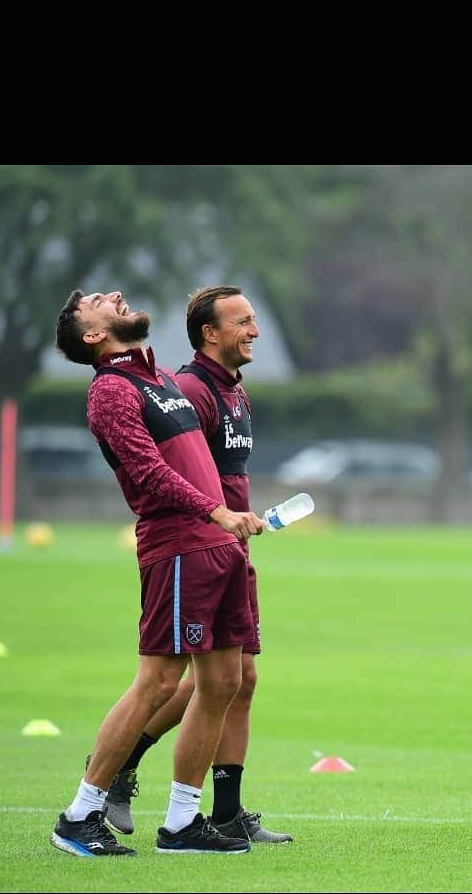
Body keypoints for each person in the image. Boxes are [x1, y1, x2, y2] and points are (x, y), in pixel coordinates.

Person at [51, 290, 264, 857]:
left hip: (220, 547)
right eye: (99, 302)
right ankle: (80, 814)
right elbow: (148, 472)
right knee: (158, 681)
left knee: (223, 682)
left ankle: (181, 824)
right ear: (93, 335)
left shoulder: (160, 378)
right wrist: (216, 509)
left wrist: (233, 517)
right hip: (178, 547)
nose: (114, 297)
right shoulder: (110, 391)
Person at [99, 286, 292, 844]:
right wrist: (219, 519)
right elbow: (179, 474)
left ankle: (226, 813)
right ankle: (118, 764)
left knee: (239, 679)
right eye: (243, 322)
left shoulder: (236, 392)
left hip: (233, 547)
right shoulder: (190, 389)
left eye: (255, 320)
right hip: (196, 548)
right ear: (210, 332)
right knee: (187, 678)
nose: (254, 331)